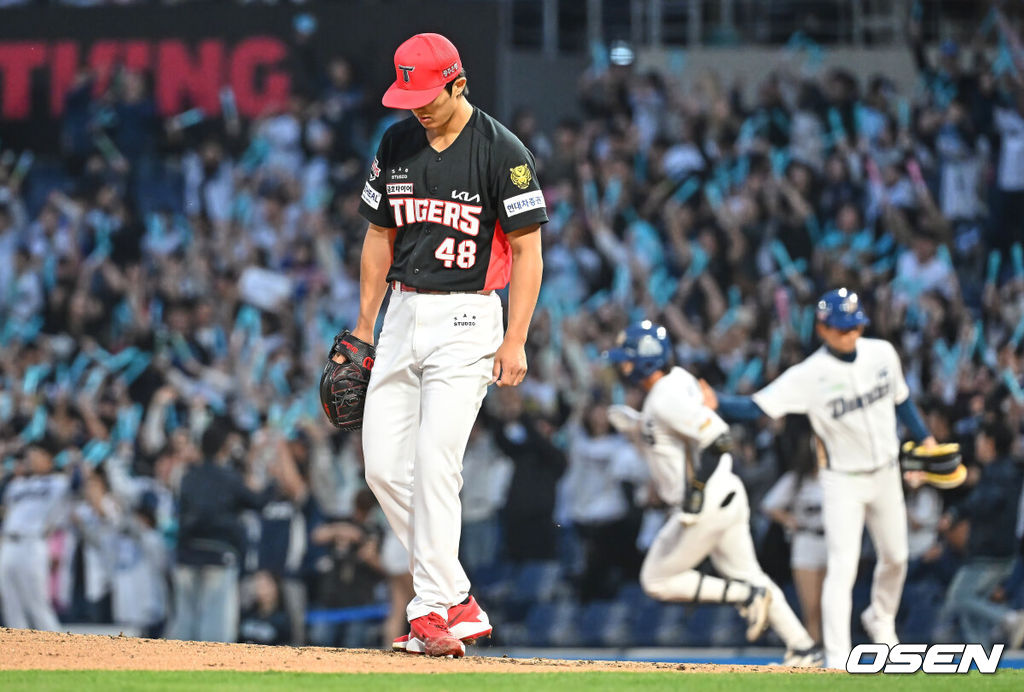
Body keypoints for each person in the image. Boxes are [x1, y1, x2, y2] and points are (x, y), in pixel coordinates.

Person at [341, 32, 546, 657]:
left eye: (427, 93)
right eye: (409, 94)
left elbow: (531, 252)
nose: (417, 105)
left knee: (436, 461)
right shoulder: (396, 141)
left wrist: (516, 338)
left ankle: (431, 608)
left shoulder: (501, 151)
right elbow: (379, 237)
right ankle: (452, 594)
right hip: (403, 311)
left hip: (468, 319)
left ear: (460, 83)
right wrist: (363, 324)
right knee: (381, 465)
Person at [702, 288, 939, 669]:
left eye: (855, 326)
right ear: (823, 328)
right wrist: (718, 403)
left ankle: (880, 617)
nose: (851, 335)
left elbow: (902, 398)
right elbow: (758, 407)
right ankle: (838, 656)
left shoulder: (882, 353)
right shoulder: (809, 374)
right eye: (842, 328)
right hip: (842, 480)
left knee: (896, 557)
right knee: (841, 565)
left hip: (886, 472)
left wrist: (923, 434)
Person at [604, 320, 823, 667]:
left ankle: (745, 596)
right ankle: (803, 647)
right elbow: (676, 432)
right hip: (723, 495)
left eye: (627, 358)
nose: (621, 365)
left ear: (645, 359)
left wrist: (695, 492)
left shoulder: (664, 397)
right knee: (751, 573)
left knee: (656, 579)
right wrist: (638, 423)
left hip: (704, 501)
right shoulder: (675, 384)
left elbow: (718, 439)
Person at [167, 424, 275, 643]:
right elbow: (258, 502)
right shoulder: (229, 478)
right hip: (220, 554)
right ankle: (211, 671)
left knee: (185, 621)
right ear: (224, 448)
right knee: (216, 627)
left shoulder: (188, 477)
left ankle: (175, 670)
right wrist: (273, 482)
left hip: (187, 554)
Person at [939, 421, 1024, 649]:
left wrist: (958, 510)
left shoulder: (1002, 472)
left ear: (990, 443)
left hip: (990, 554)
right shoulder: (998, 470)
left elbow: (989, 501)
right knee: (972, 613)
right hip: (995, 551)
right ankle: (983, 663)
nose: (977, 444)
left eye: (980, 439)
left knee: (959, 598)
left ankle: (1010, 619)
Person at [0, 441, 73, 631]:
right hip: (8, 543)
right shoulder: (17, 484)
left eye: (37, 454)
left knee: (37, 602)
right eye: (30, 455)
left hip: (32, 543)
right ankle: (20, 654)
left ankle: (57, 650)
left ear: (49, 458)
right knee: (10, 602)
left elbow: (78, 485)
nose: (31, 459)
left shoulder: (59, 482)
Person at [760, 455, 826, 645]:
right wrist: (789, 520)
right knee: (811, 605)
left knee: (829, 603)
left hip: (832, 541)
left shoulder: (835, 478)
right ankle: (813, 647)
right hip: (806, 539)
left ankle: (833, 649)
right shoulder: (796, 479)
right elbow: (769, 505)